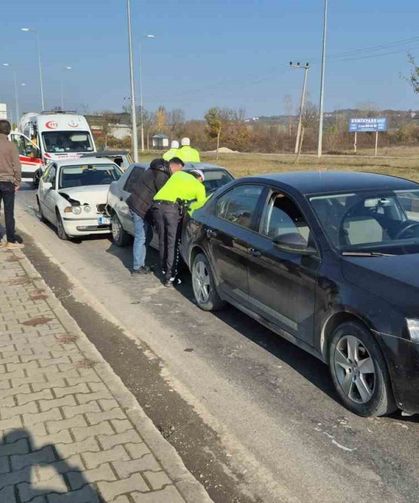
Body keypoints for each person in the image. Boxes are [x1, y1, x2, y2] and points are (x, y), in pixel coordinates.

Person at [152, 158, 206, 287]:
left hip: (156, 207)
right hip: (171, 210)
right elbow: (201, 207)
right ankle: (170, 277)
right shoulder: (199, 186)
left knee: (163, 240)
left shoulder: (178, 175)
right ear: (199, 178)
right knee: (172, 243)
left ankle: (164, 269)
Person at [126, 158, 171, 275]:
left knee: (147, 235)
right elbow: (164, 193)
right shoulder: (160, 175)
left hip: (137, 206)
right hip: (139, 208)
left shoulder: (151, 171)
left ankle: (141, 263)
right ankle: (136, 267)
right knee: (141, 237)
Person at [0, 120, 23, 250]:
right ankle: (10, 241)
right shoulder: (11, 146)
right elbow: (17, 166)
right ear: (8, 131)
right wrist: (18, 182)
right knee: (9, 212)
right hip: (8, 182)